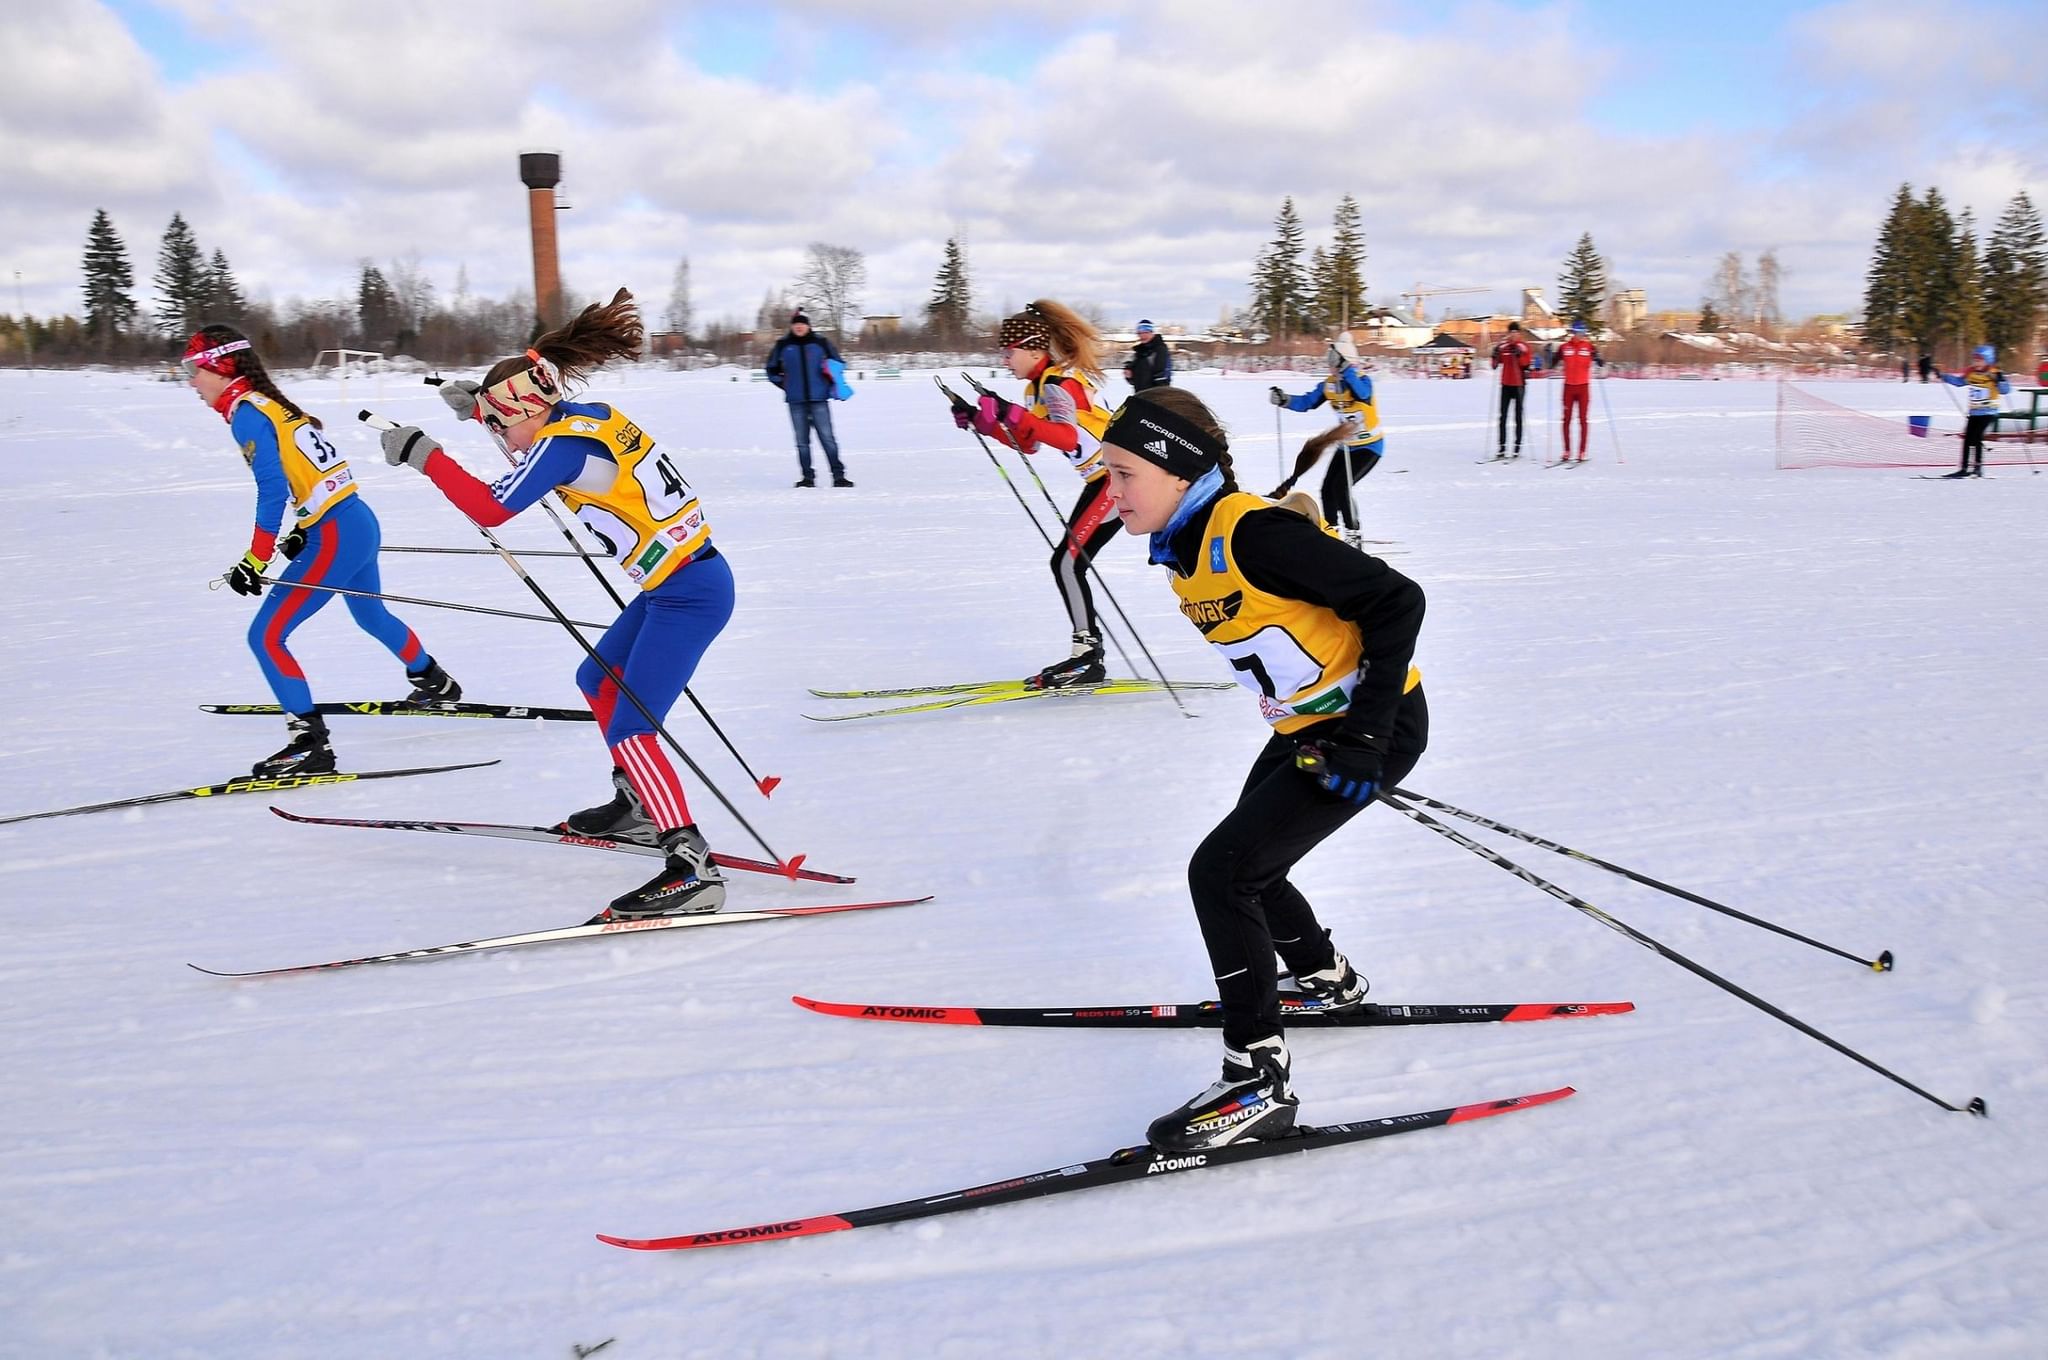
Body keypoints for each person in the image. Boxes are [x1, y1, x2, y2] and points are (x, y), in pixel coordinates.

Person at [1094, 387, 1427, 1152]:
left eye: (1123, 475)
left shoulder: (1253, 533)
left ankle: (1256, 1082)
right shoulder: (1188, 537)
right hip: (1315, 727)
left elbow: (1397, 602)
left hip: (1372, 723)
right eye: (1106, 473)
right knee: (1254, 865)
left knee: (1223, 872)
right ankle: (1325, 979)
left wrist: (1367, 740)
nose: (1109, 493)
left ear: (1179, 472)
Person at [376, 290, 735, 918]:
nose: (504, 443)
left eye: (500, 427)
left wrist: (428, 457)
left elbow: (493, 506)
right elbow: (542, 457)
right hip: (679, 584)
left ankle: (690, 863)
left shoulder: (559, 445)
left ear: (529, 408)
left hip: (688, 595)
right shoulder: (583, 416)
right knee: (595, 676)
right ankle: (638, 806)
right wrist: (482, 411)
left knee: (632, 722)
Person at [183, 326, 459, 777]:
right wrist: (302, 532)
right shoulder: (269, 404)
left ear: (221, 366)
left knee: (266, 637)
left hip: (336, 532)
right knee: (370, 616)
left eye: (195, 369)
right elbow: (310, 477)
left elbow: (272, 489)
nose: (192, 381)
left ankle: (308, 743)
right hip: (354, 519)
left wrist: (257, 558)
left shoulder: (248, 414)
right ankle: (434, 681)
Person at [949, 299, 1116, 688]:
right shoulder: (1035, 388)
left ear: (1035, 350)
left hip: (1122, 479)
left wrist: (1011, 415)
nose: (1006, 361)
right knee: (1066, 564)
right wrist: (983, 422)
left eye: (1010, 353)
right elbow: (1030, 443)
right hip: (1101, 481)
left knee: (1067, 564)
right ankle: (1087, 653)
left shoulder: (1060, 385)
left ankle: (1088, 656)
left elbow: (1066, 435)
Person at [1269, 335, 1386, 532]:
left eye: (1333, 359)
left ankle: (1352, 532)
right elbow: (1308, 402)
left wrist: (1346, 370)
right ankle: (1331, 532)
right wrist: (1285, 400)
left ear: (1344, 360)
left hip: (1369, 447)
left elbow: (1363, 395)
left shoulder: (1363, 381)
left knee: (1341, 487)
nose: (1329, 365)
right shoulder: (1329, 385)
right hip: (1346, 447)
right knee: (1326, 489)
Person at [765, 311, 851, 488]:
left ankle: (838, 476)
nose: (799, 326)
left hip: (819, 399)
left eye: (802, 323)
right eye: (796, 324)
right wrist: (785, 384)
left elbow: (838, 363)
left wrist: (829, 378)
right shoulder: (783, 345)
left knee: (827, 438)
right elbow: (771, 369)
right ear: (792, 326)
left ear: (808, 325)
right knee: (802, 442)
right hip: (796, 402)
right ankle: (807, 478)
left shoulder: (820, 343)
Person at [1937, 345, 2011, 478]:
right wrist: (1944, 376)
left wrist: (2001, 381)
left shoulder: (1994, 373)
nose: (1976, 363)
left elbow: (2005, 391)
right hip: (1975, 412)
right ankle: (1964, 468)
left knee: (1976, 436)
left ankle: (1977, 467)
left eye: (1979, 360)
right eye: (1975, 360)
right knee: (1967, 439)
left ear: (1988, 360)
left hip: (1989, 412)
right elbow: (1959, 382)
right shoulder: (1971, 372)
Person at [1554, 319, 1603, 463]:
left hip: (1583, 388)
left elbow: (1600, 360)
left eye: (1583, 332)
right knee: (1566, 420)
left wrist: (1599, 360)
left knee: (1583, 420)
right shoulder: (1564, 347)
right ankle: (1567, 451)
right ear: (1573, 332)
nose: (1581, 335)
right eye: (1579, 332)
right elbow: (1553, 362)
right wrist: (1551, 356)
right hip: (1568, 388)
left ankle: (1582, 452)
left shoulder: (1589, 347)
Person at [1490, 321, 1534, 458]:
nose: (1513, 335)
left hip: (1519, 385)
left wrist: (1519, 355)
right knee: (1502, 416)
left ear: (1519, 333)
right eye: (1511, 332)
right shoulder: (1504, 347)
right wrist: (1495, 355)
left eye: (1515, 332)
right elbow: (1495, 365)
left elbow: (1526, 363)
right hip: (1506, 385)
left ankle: (1517, 446)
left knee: (1518, 416)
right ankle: (1502, 447)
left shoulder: (1523, 346)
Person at [1124, 319, 1174, 391]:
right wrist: (1129, 374)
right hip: (1140, 395)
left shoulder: (1159, 349)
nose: (1143, 336)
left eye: (1146, 332)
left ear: (1152, 333)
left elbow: (1163, 376)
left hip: (1155, 395)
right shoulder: (1140, 352)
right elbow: (1134, 381)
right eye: (1140, 333)